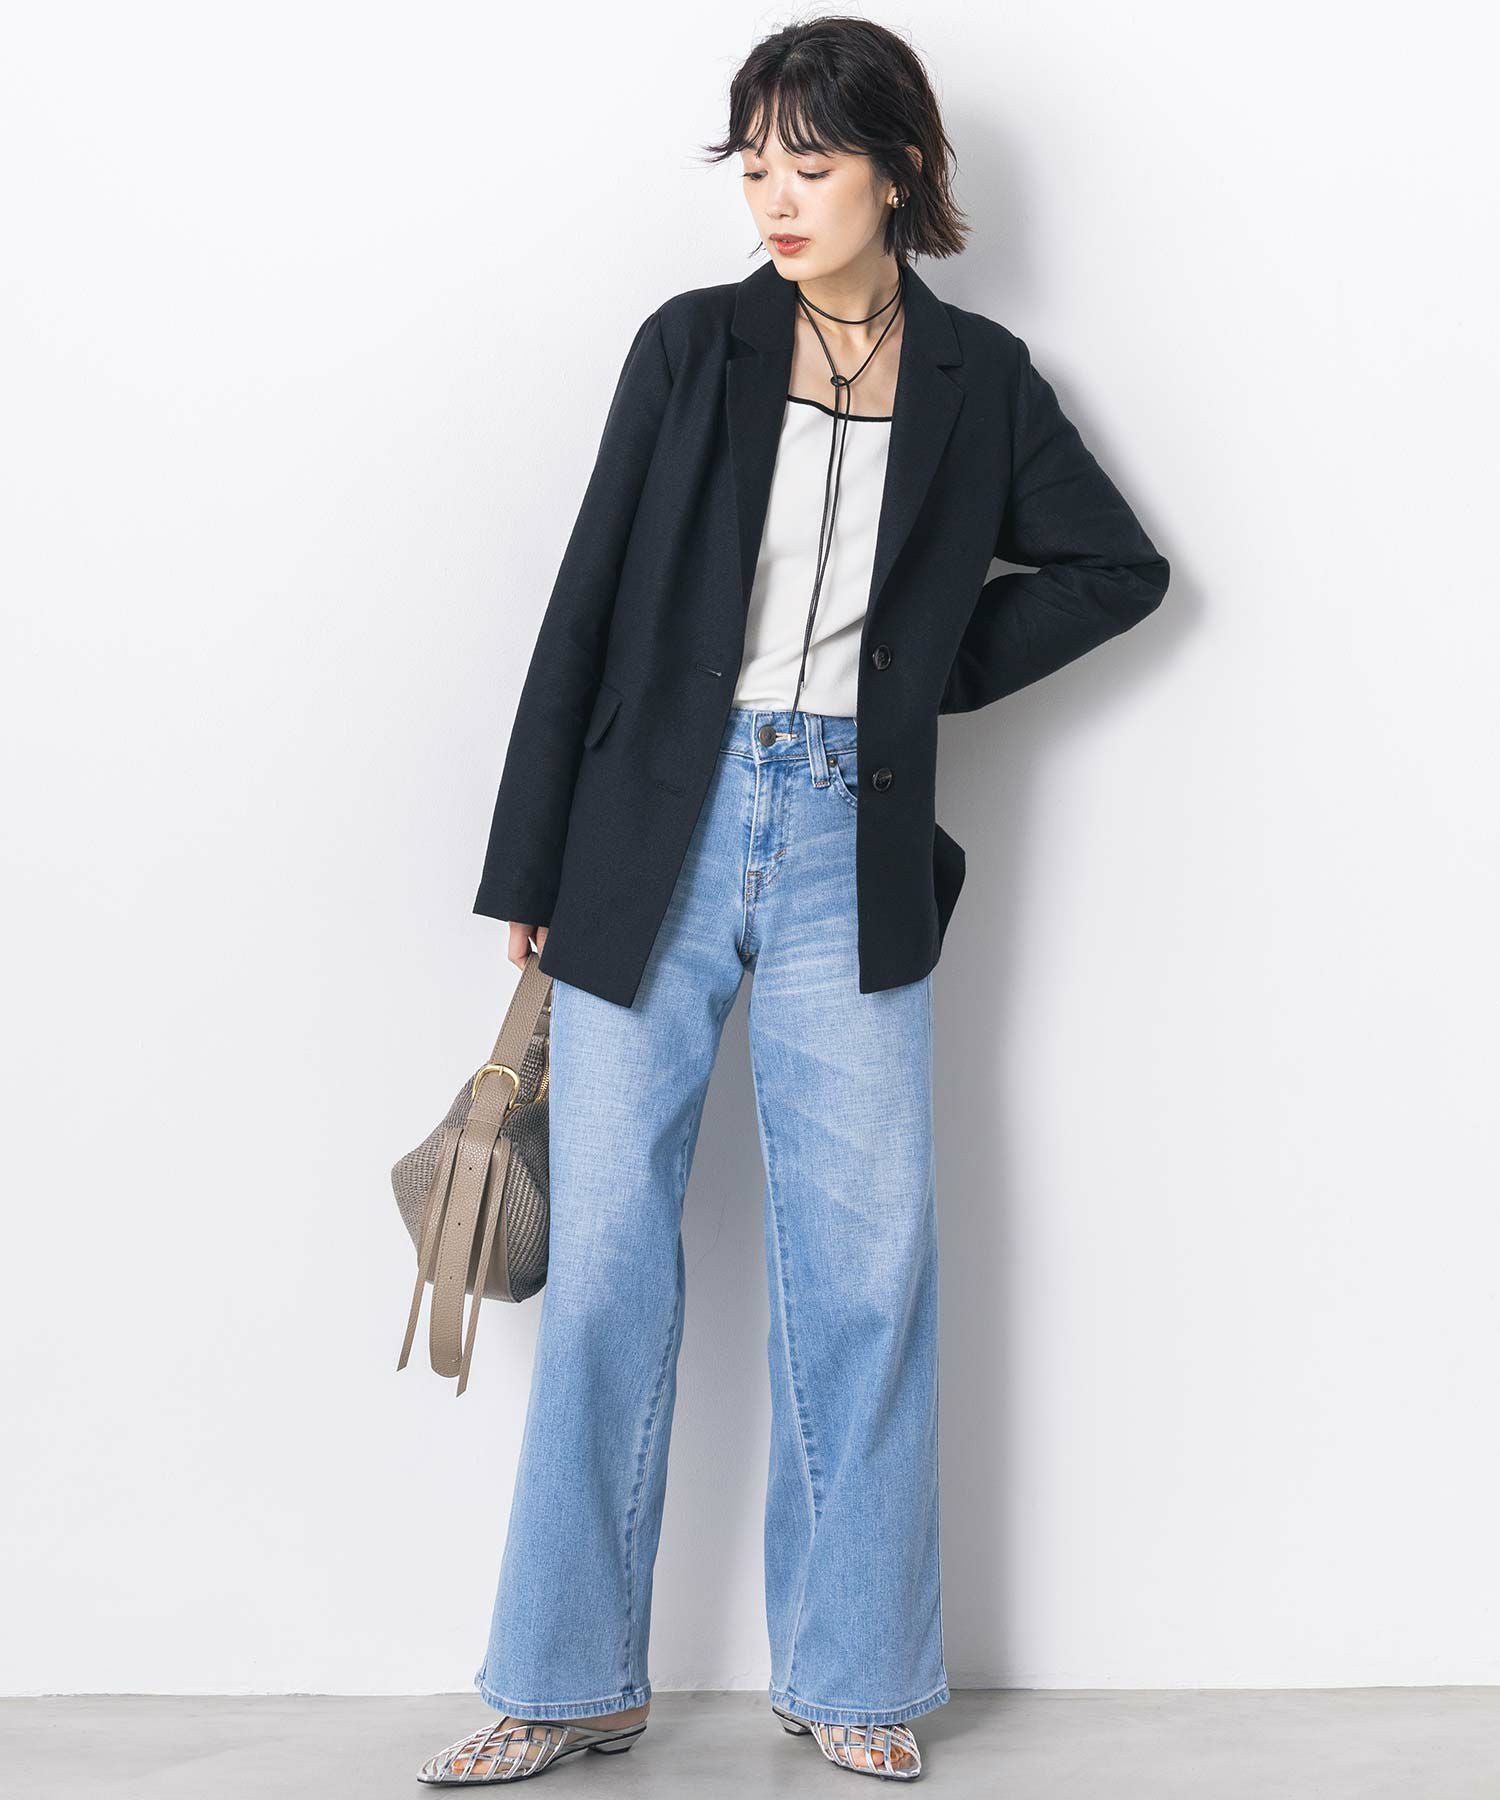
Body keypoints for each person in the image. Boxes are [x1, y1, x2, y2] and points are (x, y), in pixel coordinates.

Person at [419, 17, 1169, 1786]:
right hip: (649, 835)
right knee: (608, 1264)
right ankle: (566, 1677)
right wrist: (530, 863)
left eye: (810, 163)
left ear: (897, 171)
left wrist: (914, 674)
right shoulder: (693, 346)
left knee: (865, 1265)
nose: (774, 194)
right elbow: (587, 599)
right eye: (752, 161)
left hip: (853, 837)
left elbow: (1114, 569)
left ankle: (853, 1676)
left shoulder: (983, 378)